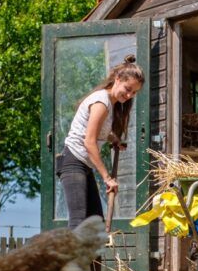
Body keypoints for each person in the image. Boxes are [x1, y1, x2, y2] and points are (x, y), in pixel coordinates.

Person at [58, 55, 144, 230]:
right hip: (73, 161)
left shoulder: (109, 104)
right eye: (127, 89)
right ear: (117, 79)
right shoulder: (101, 102)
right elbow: (89, 142)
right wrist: (107, 178)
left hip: (83, 164)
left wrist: (114, 139)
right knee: (79, 222)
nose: (129, 95)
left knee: (95, 223)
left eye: (134, 92)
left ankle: (94, 259)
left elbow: (99, 132)